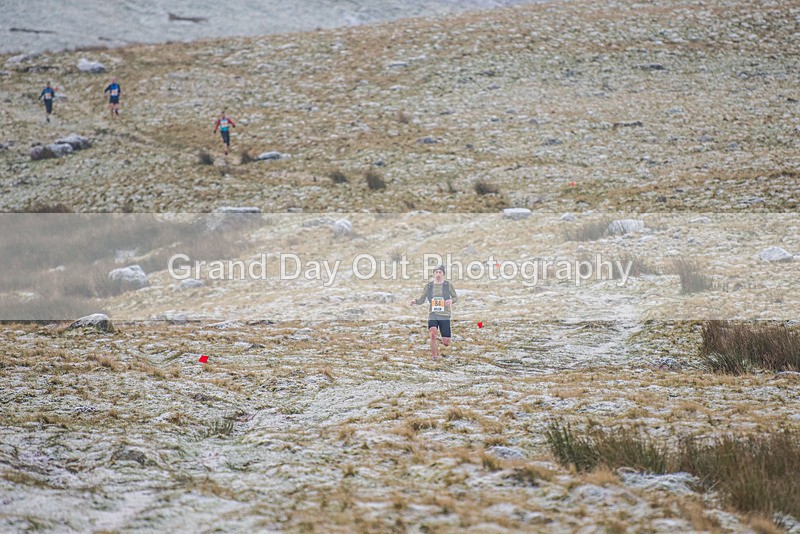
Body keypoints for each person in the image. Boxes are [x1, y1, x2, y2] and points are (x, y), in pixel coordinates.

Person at [409, 264, 458, 360]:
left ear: (443, 274)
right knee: (433, 333)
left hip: (445, 315)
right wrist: (415, 301)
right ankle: (434, 356)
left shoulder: (448, 285)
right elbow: (422, 299)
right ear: (433, 274)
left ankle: (441, 342)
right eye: (436, 272)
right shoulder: (429, 286)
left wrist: (451, 301)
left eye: (440, 272)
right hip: (433, 314)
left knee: (446, 343)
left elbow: (455, 297)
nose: (438, 274)